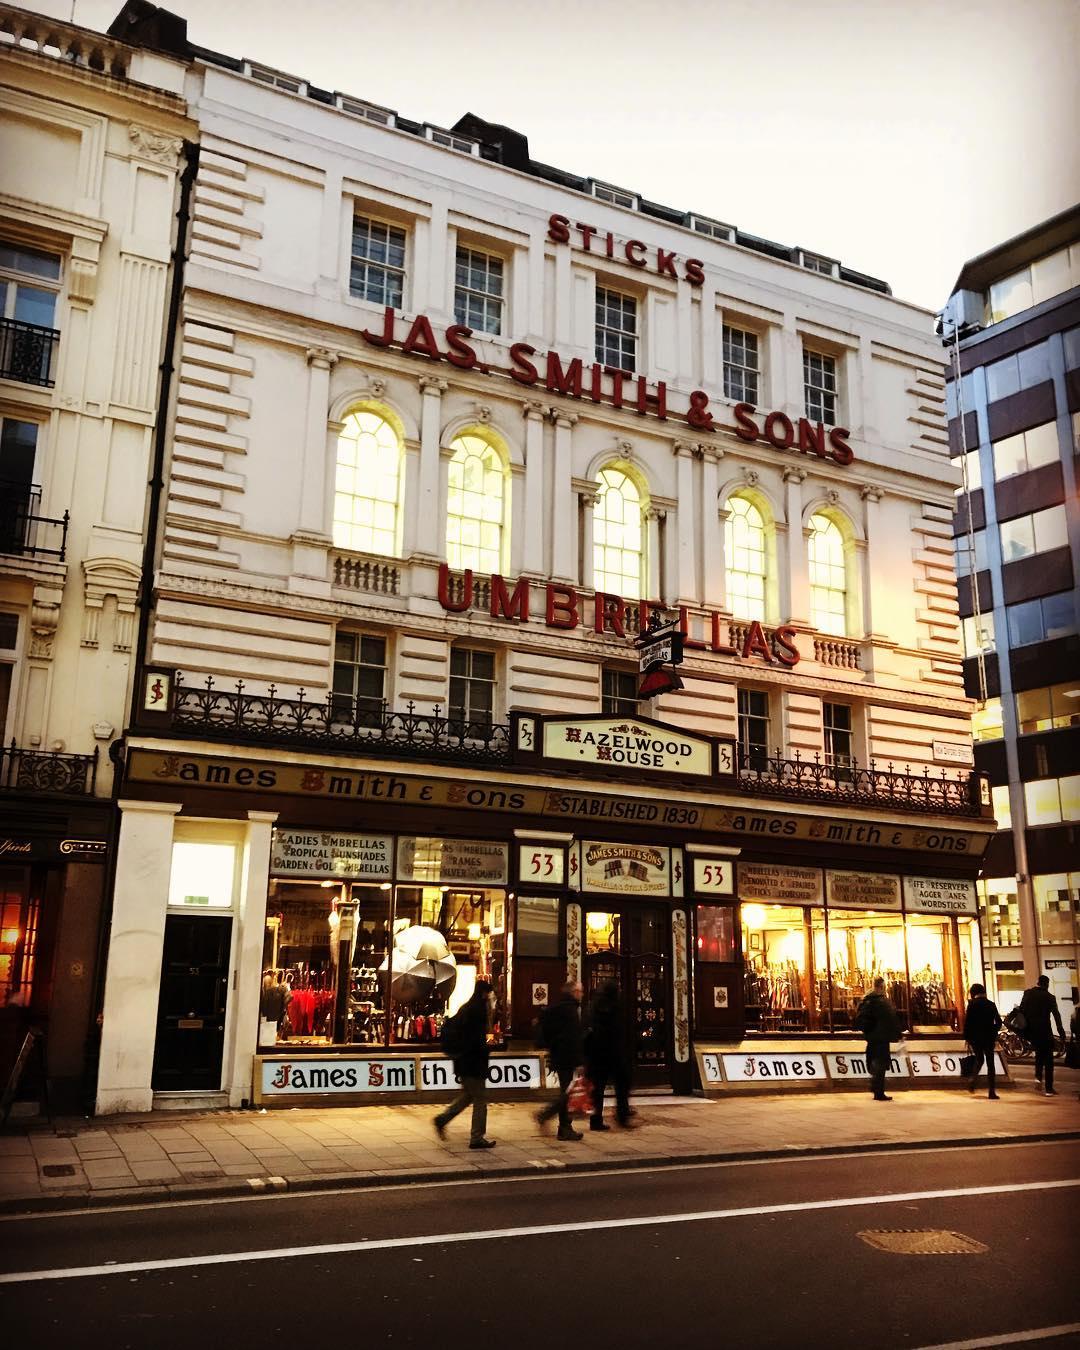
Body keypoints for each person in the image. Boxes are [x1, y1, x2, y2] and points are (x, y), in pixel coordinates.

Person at [433, 980, 496, 1149]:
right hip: (473, 1063)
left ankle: (442, 1119)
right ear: (484, 993)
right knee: (481, 1100)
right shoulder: (477, 1011)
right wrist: (486, 1050)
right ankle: (477, 1137)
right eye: (489, 994)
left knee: (467, 1096)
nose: (490, 997)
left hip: (464, 1061)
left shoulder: (466, 1008)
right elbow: (476, 1042)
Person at [536, 980, 584, 1141]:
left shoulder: (559, 1007)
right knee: (567, 1093)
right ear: (573, 992)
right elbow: (573, 1038)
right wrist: (579, 1061)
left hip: (559, 1055)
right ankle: (550, 1117)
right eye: (579, 991)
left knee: (567, 1092)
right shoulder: (569, 1010)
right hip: (567, 1057)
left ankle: (563, 1127)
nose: (581, 994)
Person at [584, 979, 632, 1130]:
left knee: (597, 1090)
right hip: (613, 1055)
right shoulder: (616, 1007)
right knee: (622, 1085)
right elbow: (619, 1032)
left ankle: (596, 1119)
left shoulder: (593, 1006)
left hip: (596, 1056)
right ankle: (622, 1115)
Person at [855, 976, 902, 1101]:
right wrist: (898, 1034)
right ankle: (878, 1090)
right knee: (881, 1064)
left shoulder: (866, 1000)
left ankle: (875, 1086)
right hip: (881, 1037)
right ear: (881, 986)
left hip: (871, 1037)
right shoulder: (882, 1002)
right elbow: (891, 1019)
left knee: (874, 1061)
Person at [1018, 975, 1066, 1096]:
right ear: (1047, 984)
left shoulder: (1028, 994)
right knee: (1048, 1060)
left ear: (1037, 982)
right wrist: (1061, 1032)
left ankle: (1038, 1077)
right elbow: (1056, 1015)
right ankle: (1049, 1089)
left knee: (1039, 1055)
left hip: (1031, 1032)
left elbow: (1021, 1010)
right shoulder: (1050, 997)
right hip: (1045, 1032)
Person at [963, 982, 1002, 1099]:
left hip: (975, 1038)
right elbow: (999, 1022)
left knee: (979, 1059)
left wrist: (967, 1038)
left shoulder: (972, 1005)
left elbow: (967, 1023)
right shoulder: (991, 1004)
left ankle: (972, 1079)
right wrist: (993, 1031)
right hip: (989, 1038)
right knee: (991, 1064)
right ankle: (991, 1092)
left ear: (973, 993)